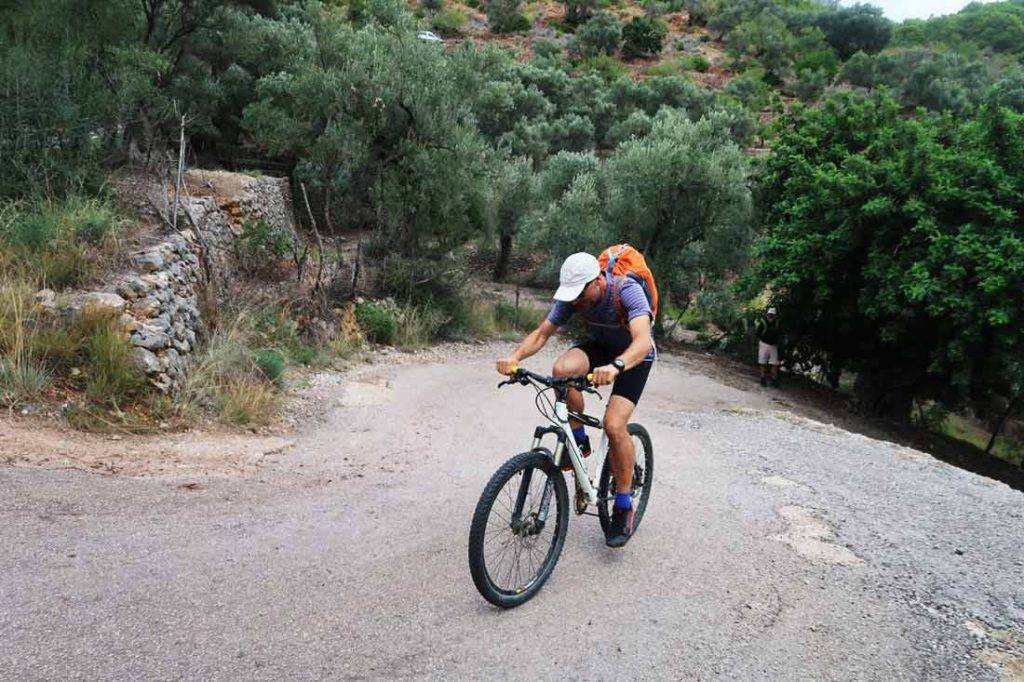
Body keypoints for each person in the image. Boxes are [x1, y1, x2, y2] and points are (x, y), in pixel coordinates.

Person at [496, 252, 654, 548]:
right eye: (572, 297)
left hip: (635, 357)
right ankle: (578, 440)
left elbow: (643, 340)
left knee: (614, 424)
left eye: (580, 295)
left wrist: (617, 366)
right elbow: (542, 334)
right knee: (561, 371)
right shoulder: (574, 297)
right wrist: (514, 357)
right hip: (601, 349)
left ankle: (622, 504)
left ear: (597, 282)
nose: (576, 302)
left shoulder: (626, 291)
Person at [754, 307, 781, 388]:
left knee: (774, 363)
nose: (770, 317)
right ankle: (763, 378)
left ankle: (773, 379)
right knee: (762, 362)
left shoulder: (777, 324)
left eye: (772, 315)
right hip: (764, 344)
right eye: (769, 315)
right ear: (767, 315)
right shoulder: (763, 323)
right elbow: (758, 333)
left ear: (775, 316)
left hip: (773, 345)